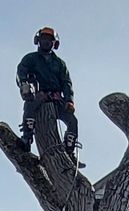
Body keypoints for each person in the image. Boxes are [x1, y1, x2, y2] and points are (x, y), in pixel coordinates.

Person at [16, 26, 81, 166]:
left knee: (72, 121)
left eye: (49, 40)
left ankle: (69, 151)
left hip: (57, 98)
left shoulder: (59, 64)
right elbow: (21, 73)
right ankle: (26, 138)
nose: (46, 42)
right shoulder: (30, 59)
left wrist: (69, 100)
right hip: (38, 94)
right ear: (38, 41)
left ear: (54, 43)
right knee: (29, 109)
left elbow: (66, 83)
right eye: (44, 39)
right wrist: (25, 87)